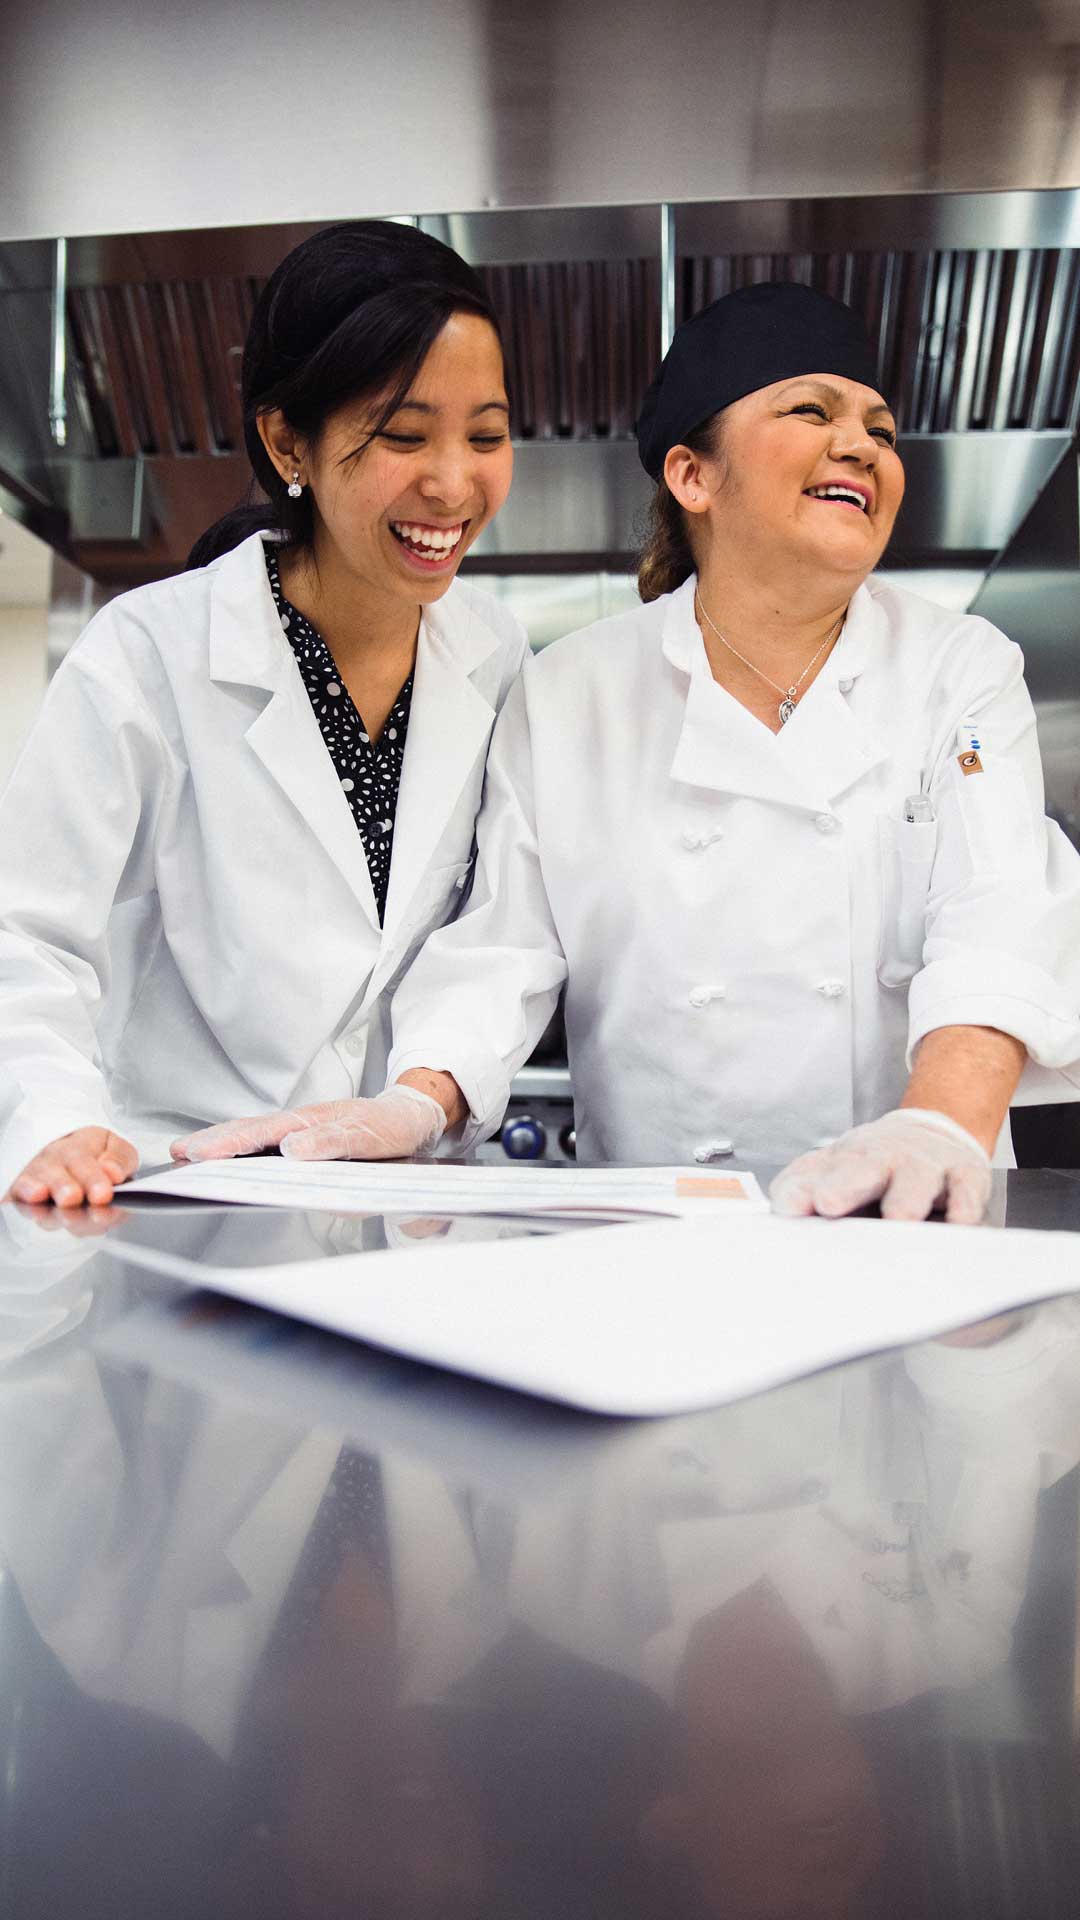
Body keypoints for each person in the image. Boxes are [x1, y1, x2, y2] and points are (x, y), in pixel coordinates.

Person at [175, 282, 1080, 1222]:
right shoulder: (574, 689)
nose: (861, 444)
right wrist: (415, 1102)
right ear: (693, 477)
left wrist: (937, 1126)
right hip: (662, 1232)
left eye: (882, 430)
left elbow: (1001, 905)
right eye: (812, 411)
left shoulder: (956, 666)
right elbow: (504, 946)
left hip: (916, 1212)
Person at [0, 220, 521, 1207]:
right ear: (290, 441)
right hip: (177, 1188)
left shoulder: (497, 658)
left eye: (486, 435)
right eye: (404, 435)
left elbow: (496, 933)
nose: (454, 482)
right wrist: (55, 1118)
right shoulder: (151, 650)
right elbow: (23, 929)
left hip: (399, 1200)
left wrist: (426, 1097)